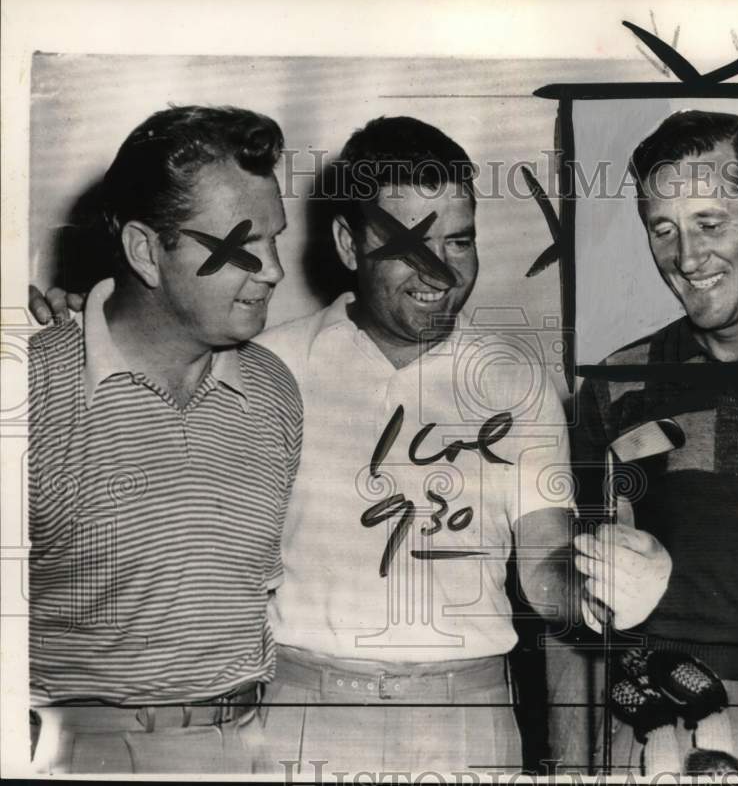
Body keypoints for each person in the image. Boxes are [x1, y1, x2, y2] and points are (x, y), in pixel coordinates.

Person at [250, 116, 673, 777]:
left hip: (466, 717)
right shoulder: (263, 368)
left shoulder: (515, 380)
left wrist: (603, 592)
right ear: (347, 242)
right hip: (301, 709)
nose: (438, 271)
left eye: (458, 242)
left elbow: (543, 568)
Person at [558, 110, 738, 776]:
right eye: (664, 228)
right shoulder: (615, 389)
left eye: (711, 223)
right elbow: (576, 628)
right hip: (648, 726)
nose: (686, 257)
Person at [27, 105, 303, 774]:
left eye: (275, 241)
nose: (273, 272)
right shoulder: (26, 388)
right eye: (242, 245)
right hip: (76, 751)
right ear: (146, 251)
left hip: (244, 745)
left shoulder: (274, 390)